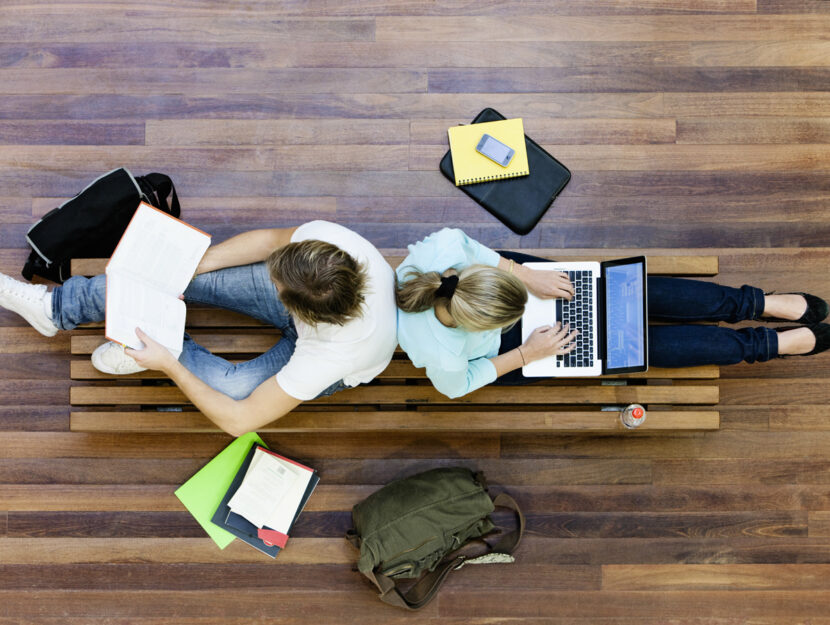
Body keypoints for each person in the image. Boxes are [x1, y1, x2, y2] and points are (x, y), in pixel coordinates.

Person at [0, 221, 397, 436]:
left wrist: (168, 366)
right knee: (160, 274)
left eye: (275, 283)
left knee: (234, 389)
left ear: (298, 310)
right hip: (319, 312)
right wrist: (195, 267)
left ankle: (158, 349)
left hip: (332, 357)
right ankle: (53, 309)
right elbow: (269, 241)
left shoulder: (332, 355)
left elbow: (239, 420)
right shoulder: (330, 244)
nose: (268, 278)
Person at [395, 228, 830, 399]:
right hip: (514, 348)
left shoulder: (442, 253)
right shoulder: (441, 354)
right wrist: (527, 354)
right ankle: (764, 345)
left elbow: (477, 251)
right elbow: (459, 386)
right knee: (627, 345)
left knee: (622, 295)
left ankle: (754, 303)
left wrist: (526, 276)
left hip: (514, 279)